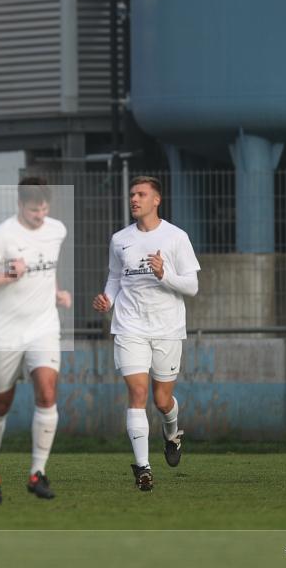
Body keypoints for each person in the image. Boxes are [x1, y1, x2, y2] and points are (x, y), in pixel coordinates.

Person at [0, 177, 72, 504]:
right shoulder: (1, 236)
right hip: (7, 331)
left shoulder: (57, 230)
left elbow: (48, 266)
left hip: (44, 326)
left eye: (43, 208)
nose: (39, 215)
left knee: (47, 391)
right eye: (32, 209)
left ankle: (37, 473)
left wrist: (56, 293)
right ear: (19, 205)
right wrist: (7, 277)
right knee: (0, 403)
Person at [92, 176, 199, 491]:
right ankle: (142, 467)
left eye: (141, 194)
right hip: (129, 327)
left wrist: (164, 274)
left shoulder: (176, 237)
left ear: (157, 200)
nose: (134, 199)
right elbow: (115, 276)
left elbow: (192, 286)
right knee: (137, 395)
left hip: (167, 328)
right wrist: (107, 298)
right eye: (132, 194)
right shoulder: (119, 239)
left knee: (162, 399)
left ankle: (172, 433)